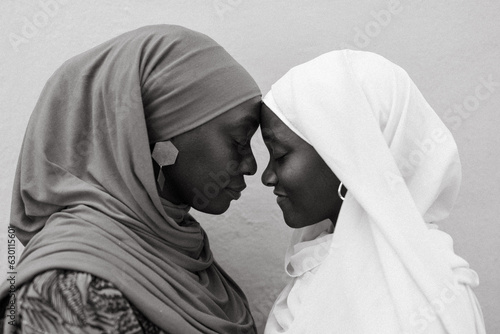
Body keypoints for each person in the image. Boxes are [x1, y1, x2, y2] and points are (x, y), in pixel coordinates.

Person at [0, 25, 261, 334]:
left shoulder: (183, 254)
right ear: (161, 134)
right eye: (240, 140)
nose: (252, 166)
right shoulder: (70, 288)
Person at [260, 50, 486, 333]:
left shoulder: (427, 293)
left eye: (279, 155)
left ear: (343, 156)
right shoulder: (320, 263)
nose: (267, 177)